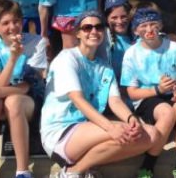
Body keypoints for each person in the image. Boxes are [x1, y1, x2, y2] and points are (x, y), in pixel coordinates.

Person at [40, 10, 159, 178]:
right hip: (61, 130)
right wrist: (111, 128)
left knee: (151, 135)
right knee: (121, 132)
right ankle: (71, 173)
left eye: (98, 27)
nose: (94, 31)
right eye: (87, 27)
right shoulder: (67, 58)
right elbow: (78, 100)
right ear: (78, 33)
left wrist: (132, 119)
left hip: (88, 129)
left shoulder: (105, 67)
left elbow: (115, 101)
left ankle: (80, 167)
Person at [0, 0, 48, 178]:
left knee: (13, 101)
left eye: (16, 21)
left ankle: (22, 171)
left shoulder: (37, 42)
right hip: (0, 99)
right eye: (5, 23)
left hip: (29, 100)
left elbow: (26, 87)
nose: (13, 27)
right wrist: (12, 58)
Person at [121, 5, 176, 178]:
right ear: (136, 30)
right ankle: (148, 164)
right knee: (167, 113)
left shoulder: (175, 49)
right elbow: (132, 92)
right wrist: (157, 89)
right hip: (148, 97)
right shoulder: (132, 54)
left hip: (171, 94)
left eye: (153, 24)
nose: (149, 29)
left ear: (160, 26)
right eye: (143, 26)